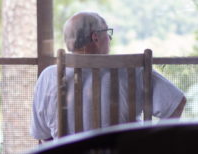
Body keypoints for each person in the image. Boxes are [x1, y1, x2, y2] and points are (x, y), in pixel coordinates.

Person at [30, 11, 186, 143]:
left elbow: (43, 135)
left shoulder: (48, 76)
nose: (110, 39)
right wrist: (149, 144)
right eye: (108, 33)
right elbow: (176, 102)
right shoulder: (133, 70)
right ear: (96, 37)